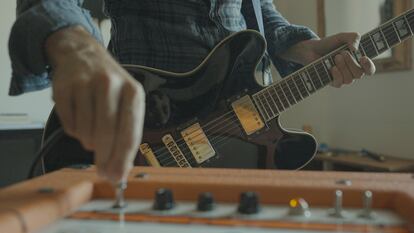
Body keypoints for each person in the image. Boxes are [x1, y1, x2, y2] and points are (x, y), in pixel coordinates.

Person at [8, 0, 376, 183]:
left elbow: (257, 9)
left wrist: (300, 47)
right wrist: (77, 45)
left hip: (234, 132)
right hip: (151, 121)